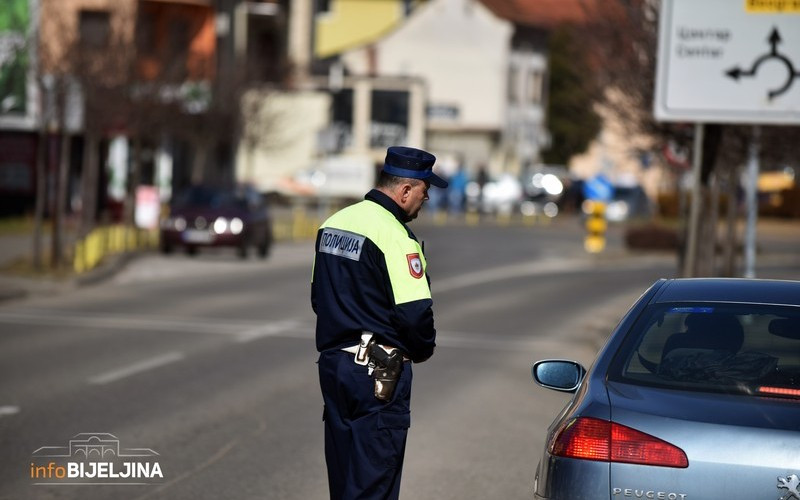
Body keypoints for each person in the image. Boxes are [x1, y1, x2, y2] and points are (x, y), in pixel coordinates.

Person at [311, 146, 448, 500]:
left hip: (335, 366)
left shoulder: (333, 224)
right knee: (374, 485)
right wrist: (422, 350)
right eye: (424, 190)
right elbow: (415, 313)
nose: (427, 197)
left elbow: (318, 298)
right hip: (380, 374)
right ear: (404, 191)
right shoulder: (395, 237)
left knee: (343, 484)